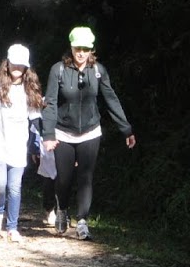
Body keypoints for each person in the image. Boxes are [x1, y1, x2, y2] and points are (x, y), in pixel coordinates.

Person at [41, 24, 135, 240]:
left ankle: (83, 221)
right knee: (64, 178)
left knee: (85, 177)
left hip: (91, 132)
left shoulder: (99, 71)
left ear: (91, 49)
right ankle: (62, 209)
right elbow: (51, 103)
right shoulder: (59, 70)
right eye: (77, 48)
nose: (80, 52)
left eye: (85, 48)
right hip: (63, 132)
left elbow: (111, 98)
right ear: (71, 48)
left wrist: (126, 129)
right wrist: (48, 135)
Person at [0, 44, 42, 243]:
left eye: (21, 65)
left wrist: (36, 145)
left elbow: (35, 120)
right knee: (0, 183)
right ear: (7, 64)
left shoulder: (30, 89)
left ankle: (13, 227)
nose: (17, 68)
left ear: (26, 67)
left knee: (15, 187)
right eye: (14, 64)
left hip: (18, 145)